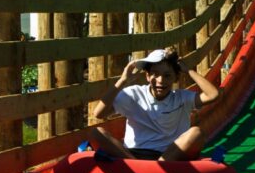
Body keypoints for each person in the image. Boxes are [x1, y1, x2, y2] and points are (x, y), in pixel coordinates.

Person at [91, 48, 220, 161]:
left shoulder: (182, 98)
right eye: (155, 74)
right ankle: (140, 167)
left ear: (175, 78)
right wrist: (122, 80)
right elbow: (99, 113)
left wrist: (188, 70)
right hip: (133, 154)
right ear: (147, 76)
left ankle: (158, 167)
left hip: (168, 156)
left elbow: (213, 94)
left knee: (197, 132)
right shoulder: (134, 94)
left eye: (167, 75)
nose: (160, 80)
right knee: (97, 132)